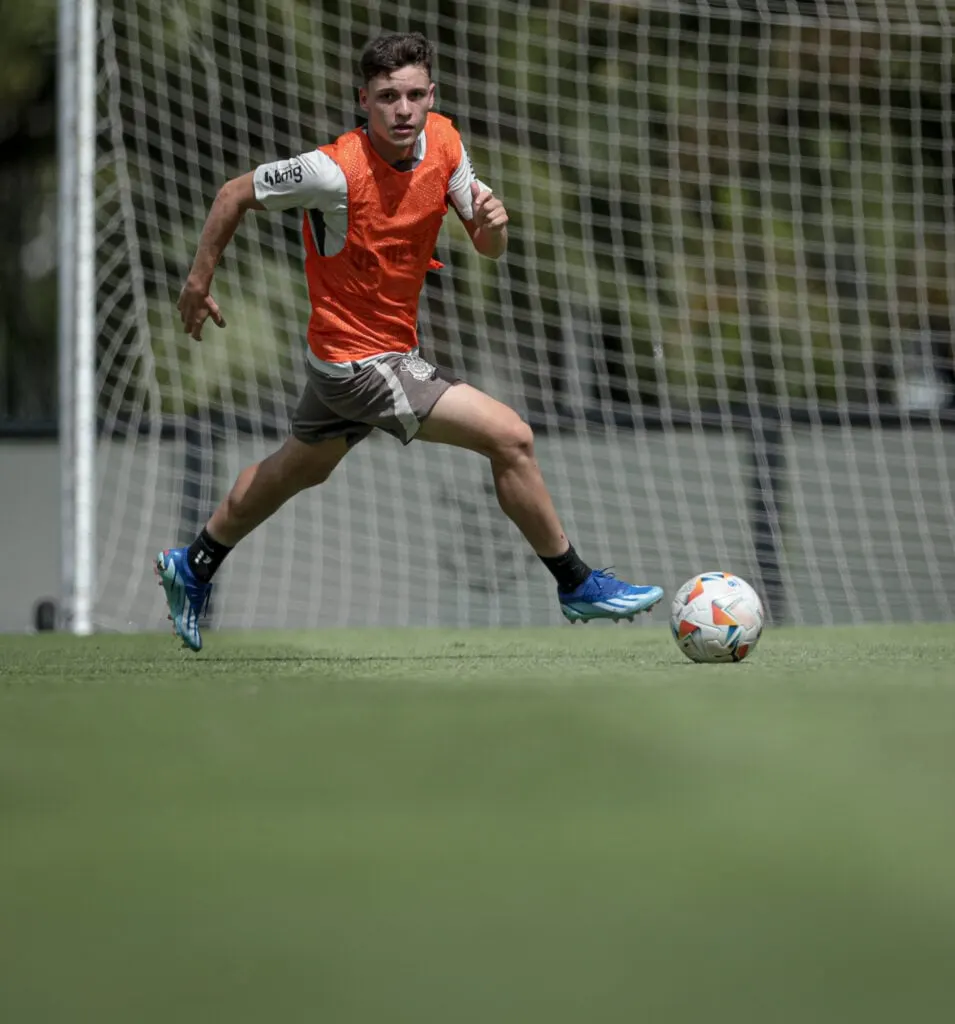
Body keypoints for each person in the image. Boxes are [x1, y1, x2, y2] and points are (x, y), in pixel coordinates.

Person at [156, 31, 663, 650]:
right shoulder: (331, 170)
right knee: (512, 437)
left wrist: (494, 225)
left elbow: (485, 243)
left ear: (432, 97)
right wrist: (197, 280)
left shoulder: (445, 143)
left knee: (296, 470)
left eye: (415, 95)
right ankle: (577, 583)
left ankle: (195, 563)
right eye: (388, 96)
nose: (403, 109)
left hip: (356, 358)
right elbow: (234, 193)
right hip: (359, 364)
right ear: (362, 100)